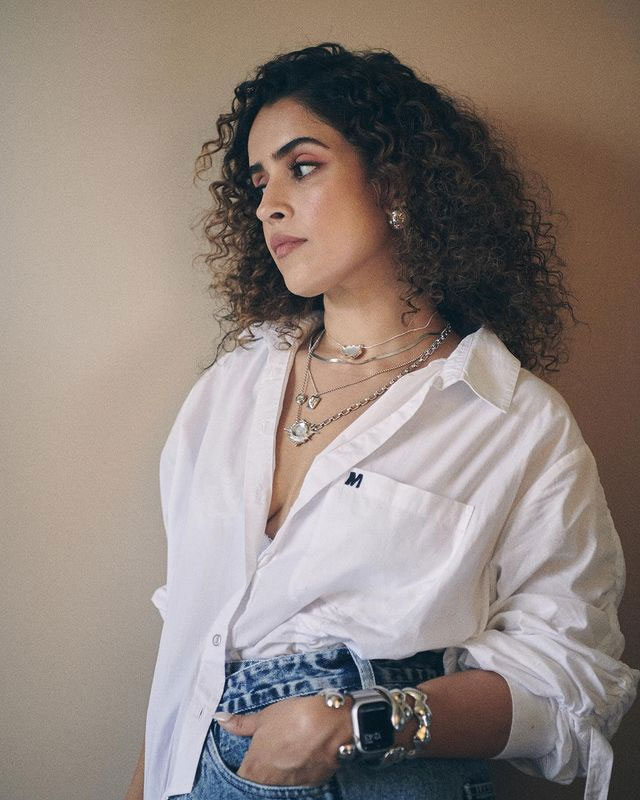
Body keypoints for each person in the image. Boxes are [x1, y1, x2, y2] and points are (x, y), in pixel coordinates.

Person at [124, 43, 638, 800]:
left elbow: (569, 679)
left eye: (302, 167)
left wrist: (360, 722)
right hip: (203, 770)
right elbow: (187, 647)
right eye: (259, 183)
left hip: (378, 775)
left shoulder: (513, 418)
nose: (267, 205)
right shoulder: (231, 387)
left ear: (395, 180)